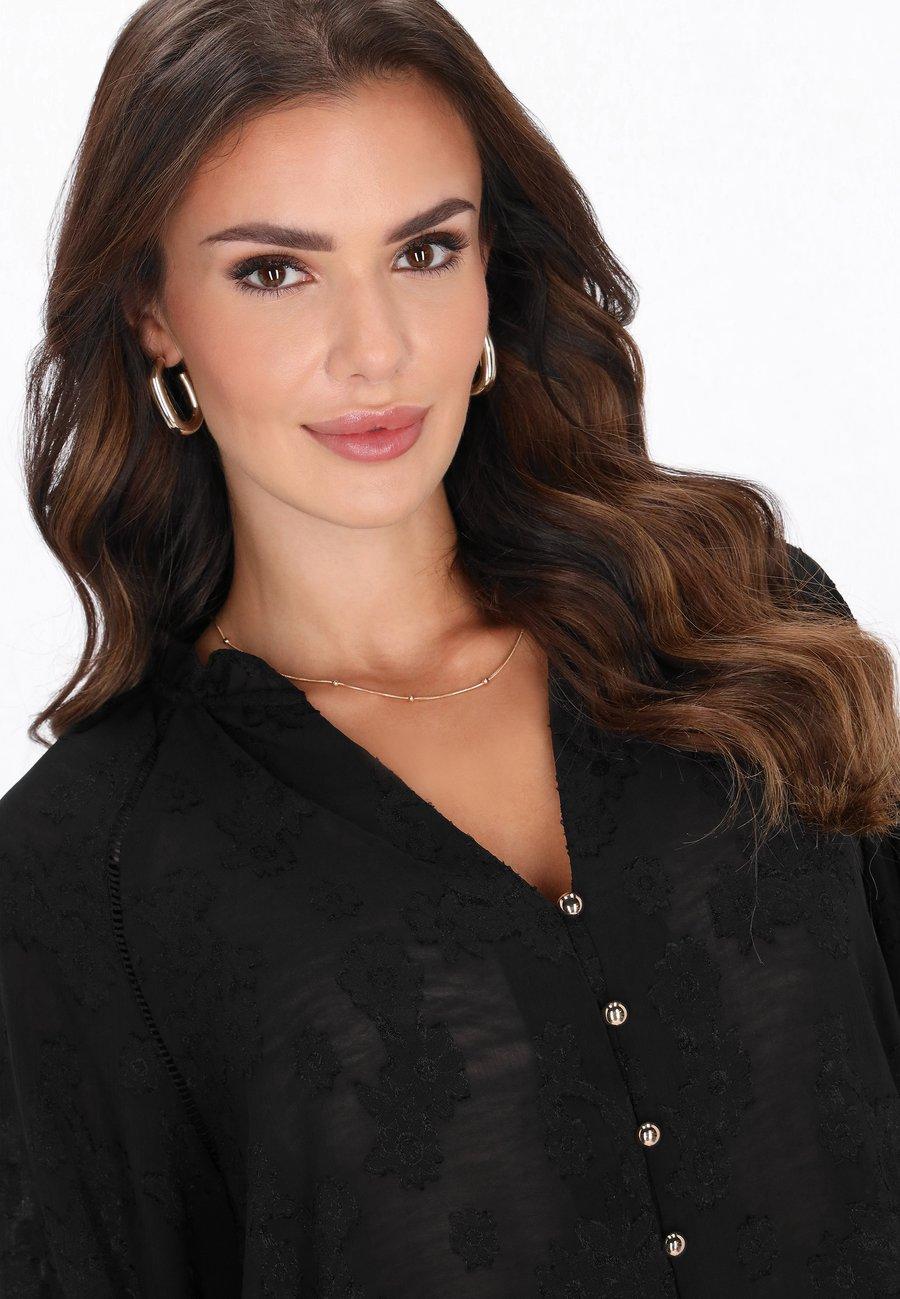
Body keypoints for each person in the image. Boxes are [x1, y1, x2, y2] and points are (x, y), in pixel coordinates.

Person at [2, 1, 898, 1295]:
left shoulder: (741, 627)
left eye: (424, 251)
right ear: (153, 311)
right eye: (276, 271)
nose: (376, 351)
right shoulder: (84, 872)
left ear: (491, 265)